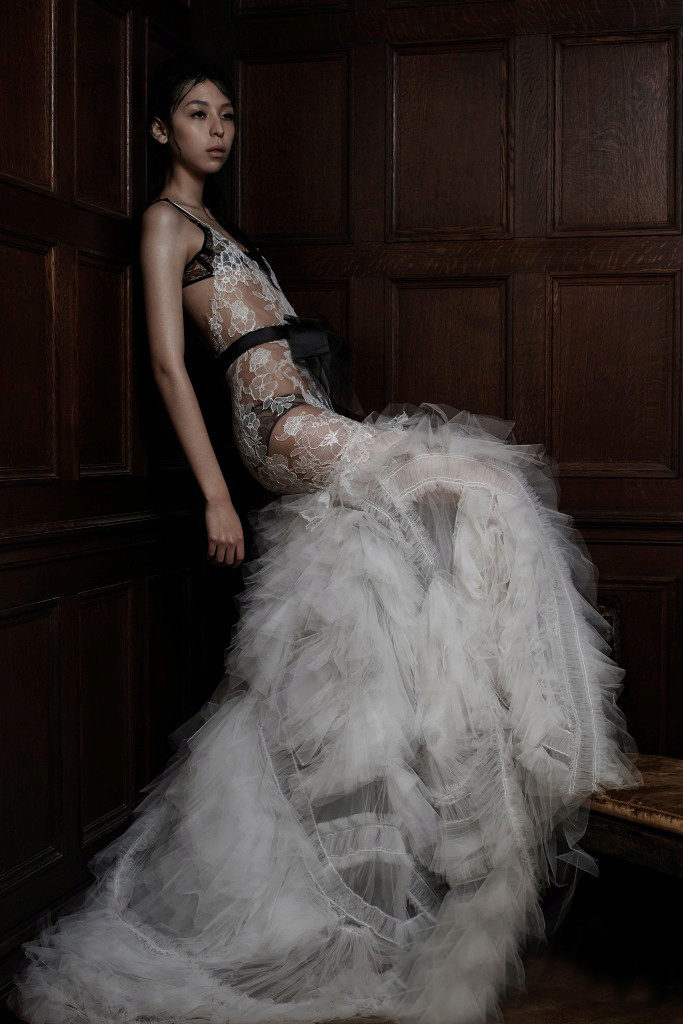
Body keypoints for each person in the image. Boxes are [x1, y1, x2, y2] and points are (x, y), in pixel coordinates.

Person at [9, 54, 641, 1024]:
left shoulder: (226, 231)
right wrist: (216, 496)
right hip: (275, 430)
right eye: (196, 114)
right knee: (481, 480)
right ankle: (545, 728)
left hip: (310, 419)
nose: (217, 131)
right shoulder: (165, 224)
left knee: (453, 520)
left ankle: (484, 738)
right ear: (160, 130)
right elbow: (173, 369)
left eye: (227, 115)